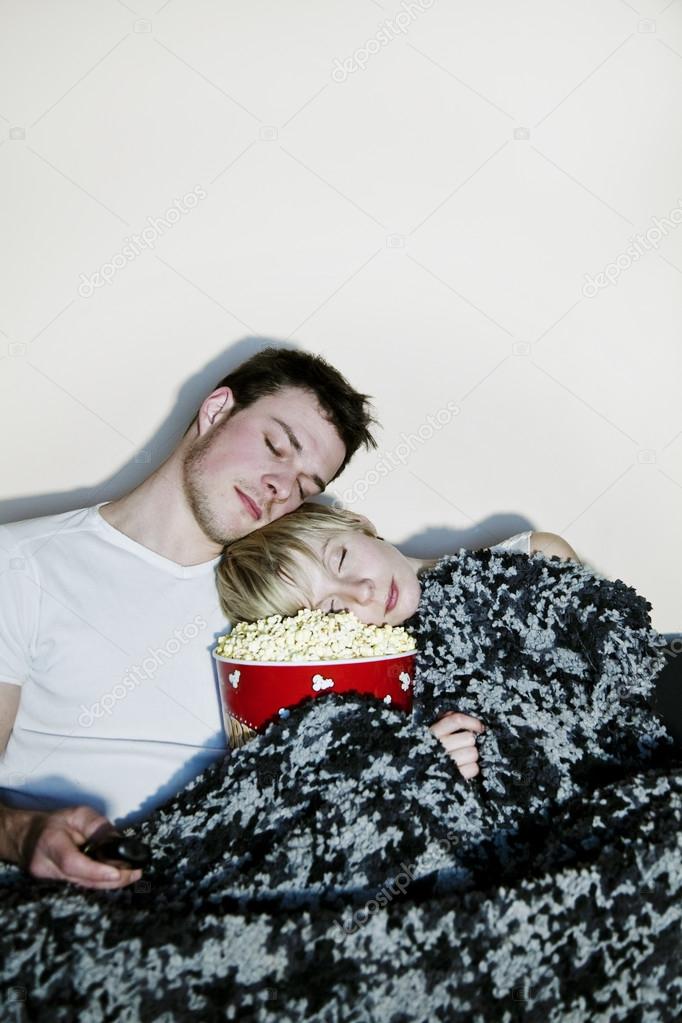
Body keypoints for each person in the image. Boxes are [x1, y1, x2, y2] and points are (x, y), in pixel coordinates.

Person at [0, 347, 379, 889]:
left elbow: (529, 555)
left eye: (305, 487)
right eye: (275, 446)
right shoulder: (22, 563)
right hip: (60, 888)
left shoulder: (283, 591)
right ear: (218, 409)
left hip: (229, 880)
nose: (281, 487)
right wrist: (24, 835)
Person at [215, 503, 581, 775]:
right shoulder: (382, 705)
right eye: (330, 611)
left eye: (341, 559)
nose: (361, 592)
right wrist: (421, 761)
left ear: (359, 524)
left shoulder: (532, 560)